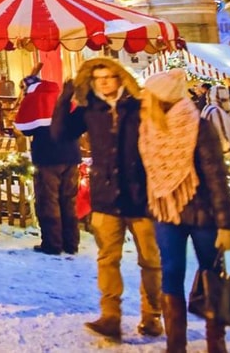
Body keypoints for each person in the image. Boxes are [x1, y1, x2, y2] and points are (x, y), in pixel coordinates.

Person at [55, 57, 163, 342]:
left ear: (120, 78)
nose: (103, 81)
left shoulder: (138, 107)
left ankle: (152, 315)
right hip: (106, 197)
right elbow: (60, 133)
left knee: (150, 260)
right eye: (98, 77)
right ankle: (111, 317)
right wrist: (65, 98)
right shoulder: (91, 110)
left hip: (141, 197)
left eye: (108, 76)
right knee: (107, 259)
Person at [138, 69, 230, 353]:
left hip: (203, 215)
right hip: (166, 212)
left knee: (211, 273)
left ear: (162, 98)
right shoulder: (148, 127)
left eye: (150, 94)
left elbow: (216, 177)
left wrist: (227, 225)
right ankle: (176, 344)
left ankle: (215, 342)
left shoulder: (198, 126)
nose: (144, 99)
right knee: (170, 273)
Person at [14, 68, 80, 255]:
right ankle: (71, 243)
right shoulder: (62, 96)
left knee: (48, 200)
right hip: (71, 155)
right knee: (68, 200)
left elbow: (23, 128)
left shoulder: (34, 99)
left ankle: (52, 244)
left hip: (48, 157)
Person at [204, 85, 230, 179]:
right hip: (221, 159)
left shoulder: (209, 108)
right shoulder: (216, 112)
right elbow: (222, 137)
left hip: (213, 157)